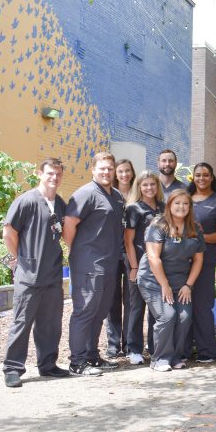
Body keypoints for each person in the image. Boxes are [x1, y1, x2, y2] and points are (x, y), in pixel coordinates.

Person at [1, 158, 69, 387]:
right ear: (40, 173)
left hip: (52, 274)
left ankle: (48, 364)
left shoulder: (60, 203)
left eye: (58, 174)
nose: (54, 178)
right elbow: (9, 234)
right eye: (50, 173)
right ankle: (12, 368)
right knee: (22, 322)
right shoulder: (26, 201)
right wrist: (22, 259)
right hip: (29, 275)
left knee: (50, 323)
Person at [64, 152, 126, 376]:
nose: (106, 172)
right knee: (85, 310)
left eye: (110, 168)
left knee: (100, 312)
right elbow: (69, 225)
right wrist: (78, 252)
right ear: (93, 170)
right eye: (102, 168)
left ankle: (91, 356)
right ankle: (77, 362)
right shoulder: (86, 193)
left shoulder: (117, 196)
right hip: (88, 263)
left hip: (109, 263)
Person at [136, 189, 204, 371]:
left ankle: (175, 357)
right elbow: (153, 258)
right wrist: (164, 285)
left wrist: (188, 285)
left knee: (184, 317)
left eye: (185, 204)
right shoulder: (158, 225)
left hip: (180, 282)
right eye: (177, 203)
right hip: (153, 280)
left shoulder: (194, 229)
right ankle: (159, 359)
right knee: (167, 316)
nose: (181, 207)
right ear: (169, 205)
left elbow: (198, 260)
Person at [188, 162, 216, 363]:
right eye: (198, 175)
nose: (201, 178)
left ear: (212, 178)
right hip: (180, 261)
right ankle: (183, 350)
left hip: (205, 260)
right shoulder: (184, 199)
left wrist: (197, 238)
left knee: (202, 306)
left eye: (205, 175)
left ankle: (206, 351)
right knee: (183, 304)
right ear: (193, 177)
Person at [123, 171, 165, 364]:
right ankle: (133, 349)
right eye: (145, 185)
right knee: (136, 307)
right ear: (139, 187)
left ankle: (155, 347)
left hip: (160, 265)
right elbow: (128, 241)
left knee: (157, 308)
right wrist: (133, 267)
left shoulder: (164, 208)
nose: (149, 188)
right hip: (139, 265)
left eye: (152, 184)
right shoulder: (133, 209)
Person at [104, 158, 135, 359]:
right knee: (112, 301)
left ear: (132, 173)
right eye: (120, 171)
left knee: (132, 302)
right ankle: (114, 345)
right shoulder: (110, 195)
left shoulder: (138, 194)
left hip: (131, 253)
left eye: (127, 171)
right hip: (111, 253)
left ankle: (131, 343)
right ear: (116, 174)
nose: (124, 174)